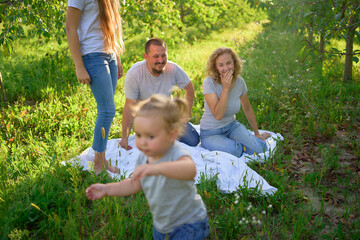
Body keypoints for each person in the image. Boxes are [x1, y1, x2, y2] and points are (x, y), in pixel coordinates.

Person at [86, 94, 209, 240]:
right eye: (139, 134)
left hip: (189, 224)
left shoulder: (175, 152)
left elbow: (189, 170)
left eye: (150, 136)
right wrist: (107, 189)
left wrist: (157, 168)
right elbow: (133, 184)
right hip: (162, 224)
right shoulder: (143, 158)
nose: (143, 142)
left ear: (171, 135)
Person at [66, 0, 125, 174]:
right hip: (92, 55)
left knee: (106, 109)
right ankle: (98, 162)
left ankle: (101, 157)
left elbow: (111, 25)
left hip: (110, 54)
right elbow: (70, 28)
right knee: (107, 110)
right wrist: (79, 66)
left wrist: (117, 58)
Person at [119, 38, 200, 150]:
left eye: (164, 55)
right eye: (156, 56)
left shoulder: (173, 69)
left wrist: (187, 113)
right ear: (146, 57)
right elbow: (129, 107)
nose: (161, 60)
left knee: (193, 140)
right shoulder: (134, 74)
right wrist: (124, 138)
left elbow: (189, 89)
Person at [200, 47, 271, 157]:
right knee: (235, 151)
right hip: (211, 132)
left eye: (228, 63)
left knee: (260, 149)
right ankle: (230, 143)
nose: (225, 68)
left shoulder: (240, 82)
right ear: (216, 67)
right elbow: (218, 115)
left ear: (234, 63)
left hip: (231, 126)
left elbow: (247, 108)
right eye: (221, 65)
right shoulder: (209, 83)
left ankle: (248, 139)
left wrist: (256, 133)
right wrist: (226, 89)